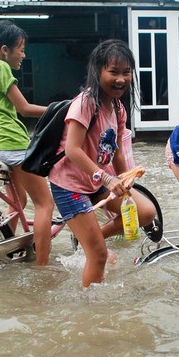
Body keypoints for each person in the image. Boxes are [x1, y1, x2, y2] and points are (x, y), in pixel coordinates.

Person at [48, 39, 157, 287]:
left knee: (146, 212)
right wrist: (108, 179)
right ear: (98, 72)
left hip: (97, 181)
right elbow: (73, 150)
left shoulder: (118, 108)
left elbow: (116, 151)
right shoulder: (86, 103)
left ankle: (91, 238)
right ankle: (90, 313)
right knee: (99, 255)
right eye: (114, 72)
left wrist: (125, 179)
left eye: (126, 72)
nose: (121, 79)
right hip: (70, 186)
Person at [0, 20, 55, 266]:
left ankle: (2, 251)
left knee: (18, 202)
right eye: (20, 49)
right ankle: (42, 266)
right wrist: (62, 109)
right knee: (45, 204)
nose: (23, 54)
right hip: (13, 145)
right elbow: (25, 108)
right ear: (5, 49)